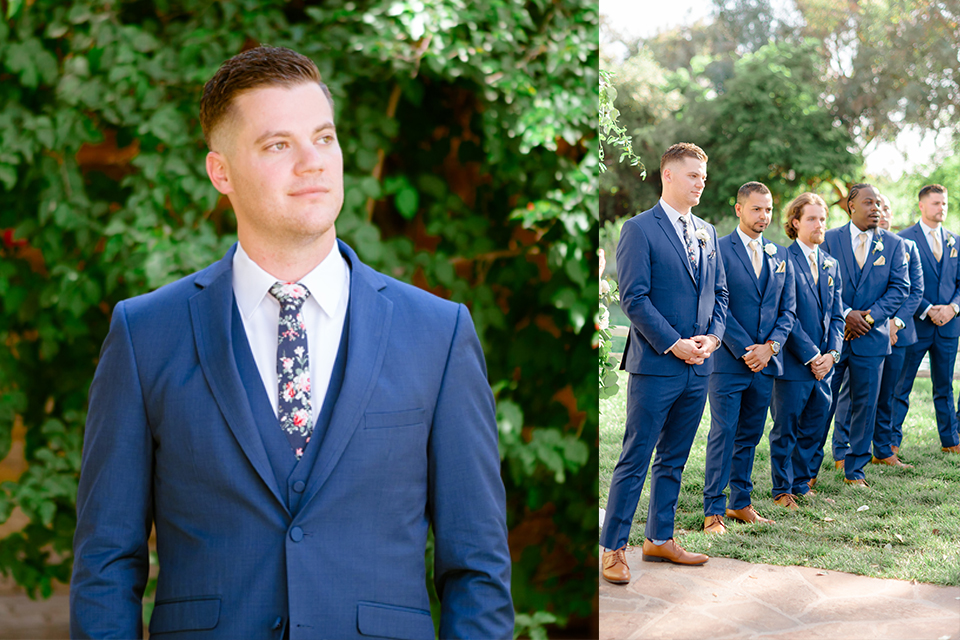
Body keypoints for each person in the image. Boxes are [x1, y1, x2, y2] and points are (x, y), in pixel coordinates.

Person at [70, 46, 513, 639]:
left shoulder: (438, 333)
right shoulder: (145, 334)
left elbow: (477, 568)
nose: (313, 163)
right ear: (220, 171)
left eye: (323, 138)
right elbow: (105, 564)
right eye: (278, 145)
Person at [600, 142, 728, 585]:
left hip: (700, 366)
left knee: (673, 458)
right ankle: (613, 549)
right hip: (657, 365)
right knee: (635, 456)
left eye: (704, 177)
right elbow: (633, 298)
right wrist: (675, 344)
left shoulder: (709, 233)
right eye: (693, 175)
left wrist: (712, 338)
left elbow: (721, 296)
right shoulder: (639, 229)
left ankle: (659, 538)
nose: (701, 183)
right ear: (668, 175)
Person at [701, 182, 796, 533]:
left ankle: (740, 503)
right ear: (739, 209)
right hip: (728, 361)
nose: (764, 216)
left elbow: (789, 310)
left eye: (768, 209)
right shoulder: (718, 249)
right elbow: (715, 303)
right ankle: (713, 510)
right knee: (723, 432)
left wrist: (769, 348)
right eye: (757, 209)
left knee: (750, 436)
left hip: (767, 364)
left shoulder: (780, 254)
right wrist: (747, 349)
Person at [822, 183, 909, 487]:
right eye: (869, 203)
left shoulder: (895, 244)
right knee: (822, 404)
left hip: (871, 339)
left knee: (866, 405)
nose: (876, 209)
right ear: (851, 206)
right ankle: (806, 469)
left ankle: (855, 469)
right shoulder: (829, 239)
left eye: (878, 204)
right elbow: (821, 283)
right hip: (834, 336)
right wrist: (846, 314)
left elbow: (901, 288)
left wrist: (868, 318)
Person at [768, 193, 843, 507]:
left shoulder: (831, 264)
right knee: (786, 428)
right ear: (795, 222)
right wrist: (812, 355)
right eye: (812, 218)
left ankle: (802, 482)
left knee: (814, 426)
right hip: (794, 362)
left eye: (823, 219)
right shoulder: (782, 260)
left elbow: (838, 315)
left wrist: (832, 355)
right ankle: (781, 489)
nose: (820, 225)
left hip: (825, 365)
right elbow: (786, 314)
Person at [892, 184, 960, 455]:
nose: (941, 208)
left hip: (949, 326)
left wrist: (953, 308)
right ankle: (890, 444)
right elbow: (900, 283)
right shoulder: (903, 239)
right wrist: (929, 308)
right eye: (935, 203)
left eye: (943, 203)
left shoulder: (956, 240)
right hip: (916, 324)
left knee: (944, 386)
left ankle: (951, 441)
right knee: (901, 386)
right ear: (921, 205)